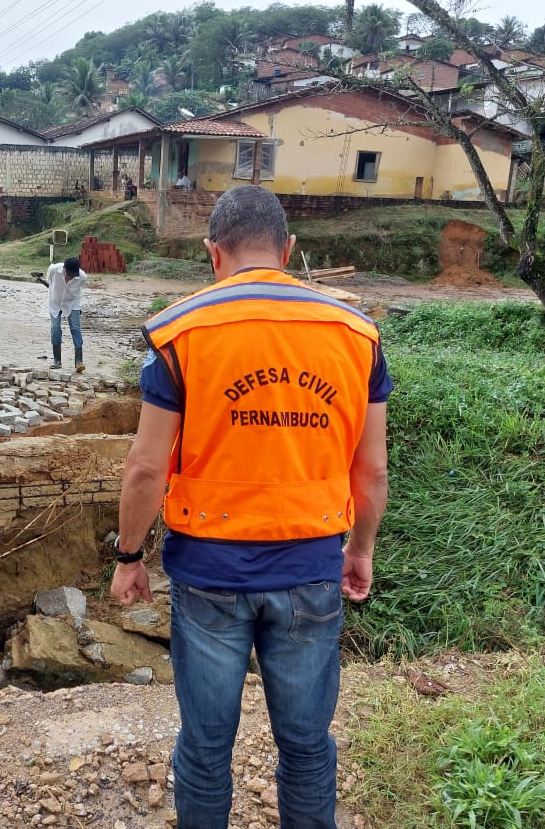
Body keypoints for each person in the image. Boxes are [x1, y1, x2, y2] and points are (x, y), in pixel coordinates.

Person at [110, 185, 391, 829]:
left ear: (215, 253)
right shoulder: (356, 335)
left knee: (207, 750)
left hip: (209, 575)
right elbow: (370, 469)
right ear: (287, 250)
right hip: (310, 569)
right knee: (307, 747)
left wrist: (129, 557)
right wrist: (360, 550)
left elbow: (147, 467)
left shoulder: (182, 333)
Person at [32, 257, 88, 372]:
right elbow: (50, 283)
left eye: (74, 275)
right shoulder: (53, 270)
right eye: (69, 274)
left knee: (76, 328)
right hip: (55, 302)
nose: (71, 277)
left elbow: (80, 291)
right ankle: (57, 361)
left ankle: (79, 362)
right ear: (64, 269)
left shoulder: (82, 277)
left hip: (72, 303)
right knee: (55, 328)